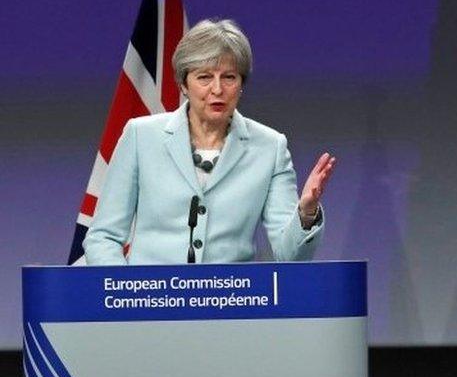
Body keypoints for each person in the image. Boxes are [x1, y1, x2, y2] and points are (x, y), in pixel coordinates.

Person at [84, 19, 336, 265]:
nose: (217, 89)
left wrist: (306, 214)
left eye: (229, 77)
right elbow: (103, 237)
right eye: (204, 77)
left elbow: (289, 255)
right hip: (149, 301)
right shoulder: (140, 136)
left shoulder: (270, 147)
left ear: (241, 85)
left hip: (232, 301)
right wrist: (128, 294)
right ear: (184, 84)